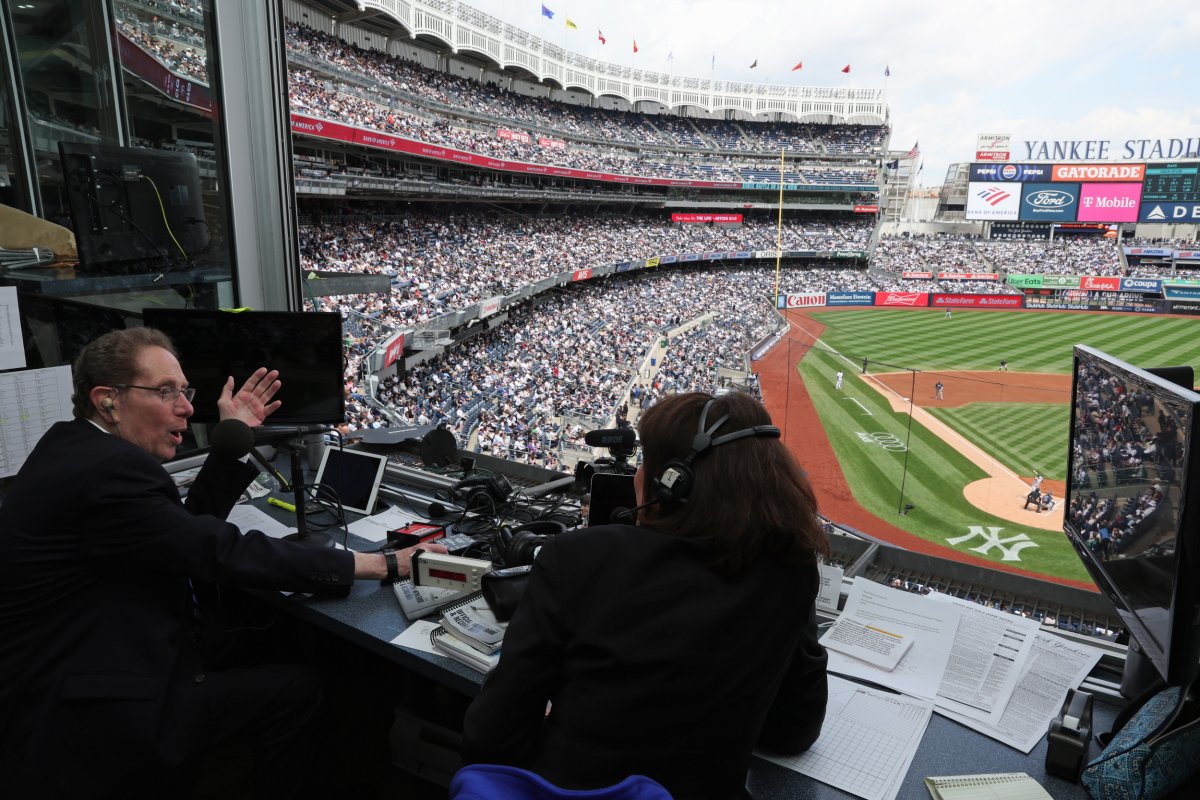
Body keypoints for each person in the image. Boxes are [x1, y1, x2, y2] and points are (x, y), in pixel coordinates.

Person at [0, 327, 443, 799]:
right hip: (89, 712)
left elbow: (179, 533)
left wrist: (236, 444)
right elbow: (220, 549)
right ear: (107, 400)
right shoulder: (107, 472)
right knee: (298, 689)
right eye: (164, 391)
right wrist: (380, 564)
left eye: (185, 391)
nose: (188, 407)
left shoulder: (74, 447)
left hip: (80, 663)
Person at [462, 392, 829, 799]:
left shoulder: (579, 559)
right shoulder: (792, 571)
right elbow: (794, 731)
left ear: (671, 482)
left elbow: (492, 736)